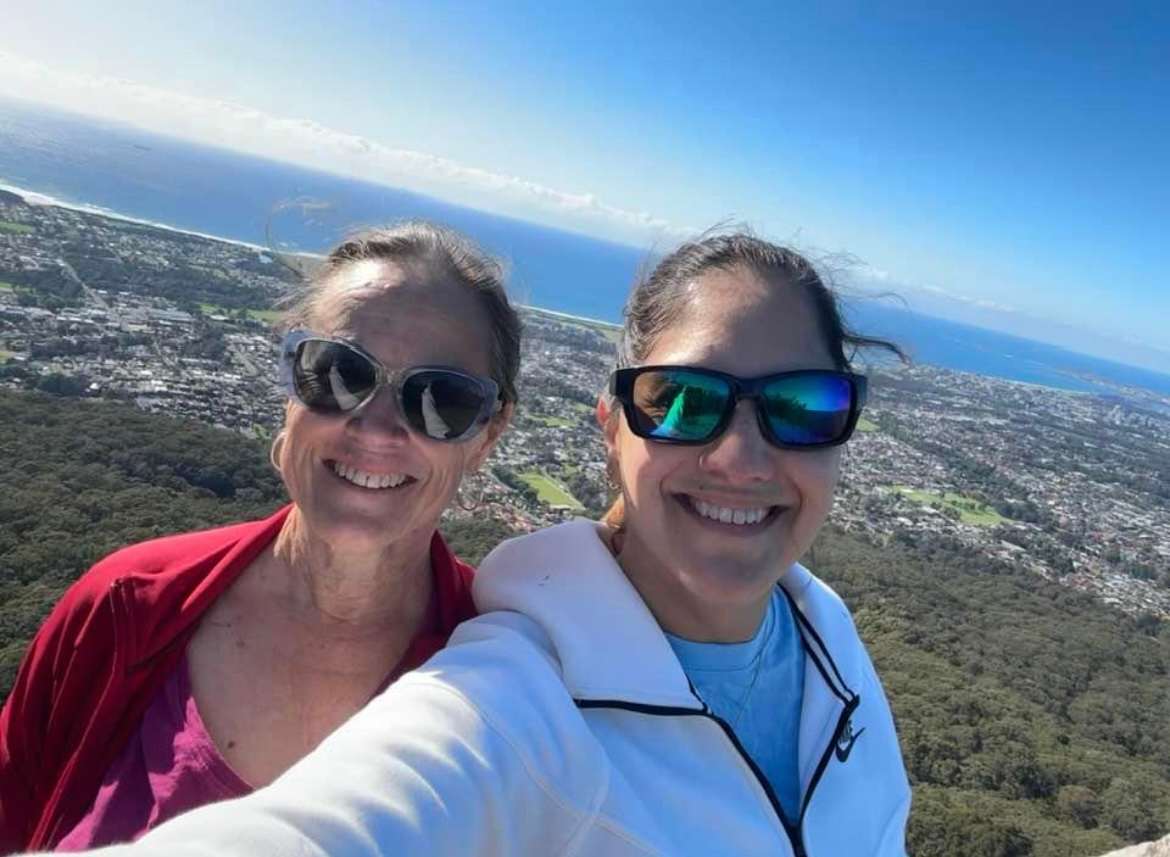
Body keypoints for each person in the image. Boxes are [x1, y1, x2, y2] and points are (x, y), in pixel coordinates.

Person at [49, 231, 911, 857]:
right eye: (682, 399)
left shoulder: (828, 637)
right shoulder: (507, 695)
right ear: (611, 427)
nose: (742, 455)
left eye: (804, 404)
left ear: (490, 430)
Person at [0, 222, 519, 852]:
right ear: (290, 380)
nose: (376, 428)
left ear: (488, 435)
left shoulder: (503, 690)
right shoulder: (126, 606)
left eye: (442, 398)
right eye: (337, 372)